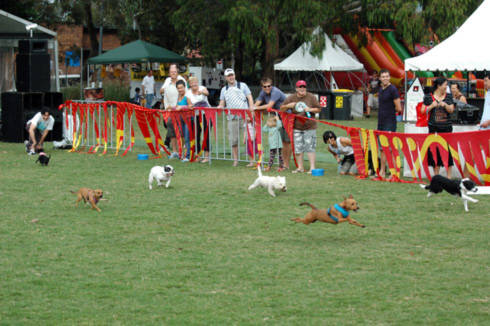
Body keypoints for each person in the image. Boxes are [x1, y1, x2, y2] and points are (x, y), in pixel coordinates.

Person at [280, 80, 321, 174]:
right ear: (296, 89)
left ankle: (312, 168)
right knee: (298, 148)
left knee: (310, 147)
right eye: (300, 87)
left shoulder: (311, 97)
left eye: (304, 87)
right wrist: (287, 106)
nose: (302, 89)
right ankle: (300, 168)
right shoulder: (291, 97)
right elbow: (281, 108)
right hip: (296, 127)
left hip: (310, 126)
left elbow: (318, 109)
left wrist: (310, 109)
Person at [218, 68, 254, 167]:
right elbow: (222, 102)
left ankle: (251, 161)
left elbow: (249, 97)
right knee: (233, 140)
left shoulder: (243, 85)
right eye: (229, 76)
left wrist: (251, 109)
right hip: (232, 118)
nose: (231, 77)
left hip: (245, 116)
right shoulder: (224, 89)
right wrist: (220, 106)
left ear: (235, 75)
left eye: (232, 75)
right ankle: (235, 160)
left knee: (249, 138)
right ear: (225, 78)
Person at [254, 77, 291, 169]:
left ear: (272, 85)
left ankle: (286, 164)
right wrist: (252, 108)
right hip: (277, 118)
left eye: (269, 86)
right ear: (262, 87)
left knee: (286, 142)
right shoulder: (263, 92)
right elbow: (257, 103)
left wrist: (255, 108)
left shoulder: (275, 92)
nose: (267, 88)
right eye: (265, 86)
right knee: (281, 142)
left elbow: (269, 105)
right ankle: (282, 164)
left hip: (286, 117)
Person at [422, 76, 455, 178]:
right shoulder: (428, 97)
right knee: (434, 151)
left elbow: (451, 110)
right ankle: (436, 176)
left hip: (446, 128)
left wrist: (445, 105)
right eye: (445, 85)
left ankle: (449, 176)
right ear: (439, 86)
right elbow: (423, 111)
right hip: (433, 128)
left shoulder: (448, 96)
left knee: (447, 151)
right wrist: (431, 106)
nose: (446, 87)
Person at [376, 69, 402, 179]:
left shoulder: (393, 89)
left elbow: (399, 108)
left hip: (390, 122)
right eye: (383, 76)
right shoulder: (381, 89)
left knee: (390, 148)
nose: (385, 78)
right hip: (381, 122)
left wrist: (390, 113)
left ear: (389, 77)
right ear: (380, 78)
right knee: (382, 148)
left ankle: (393, 172)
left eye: (387, 76)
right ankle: (382, 171)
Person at [160, 64, 187, 159]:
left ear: (177, 72)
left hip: (180, 111)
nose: (173, 73)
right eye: (171, 72)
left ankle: (182, 152)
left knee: (181, 132)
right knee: (172, 132)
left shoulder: (181, 81)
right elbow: (161, 91)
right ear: (169, 73)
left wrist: (181, 106)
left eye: (174, 72)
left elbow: (185, 94)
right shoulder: (167, 81)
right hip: (169, 111)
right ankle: (175, 151)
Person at [187, 76, 211, 163]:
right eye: (192, 83)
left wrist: (202, 92)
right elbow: (189, 105)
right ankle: (198, 155)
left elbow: (207, 93)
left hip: (206, 114)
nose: (194, 84)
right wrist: (191, 106)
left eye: (195, 82)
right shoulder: (188, 93)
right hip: (196, 116)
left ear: (198, 82)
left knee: (206, 134)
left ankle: (207, 156)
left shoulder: (202, 88)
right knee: (196, 135)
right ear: (189, 84)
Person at [175, 80, 193, 162]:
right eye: (178, 88)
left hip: (188, 119)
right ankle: (182, 154)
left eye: (181, 88)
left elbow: (191, 106)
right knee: (181, 137)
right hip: (180, 119)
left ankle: (188, 156)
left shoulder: (187, 95)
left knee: (187, 138)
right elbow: (177, 106)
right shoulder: (178, 96)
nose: (180, 90)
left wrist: (182, 107)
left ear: (184, 87)